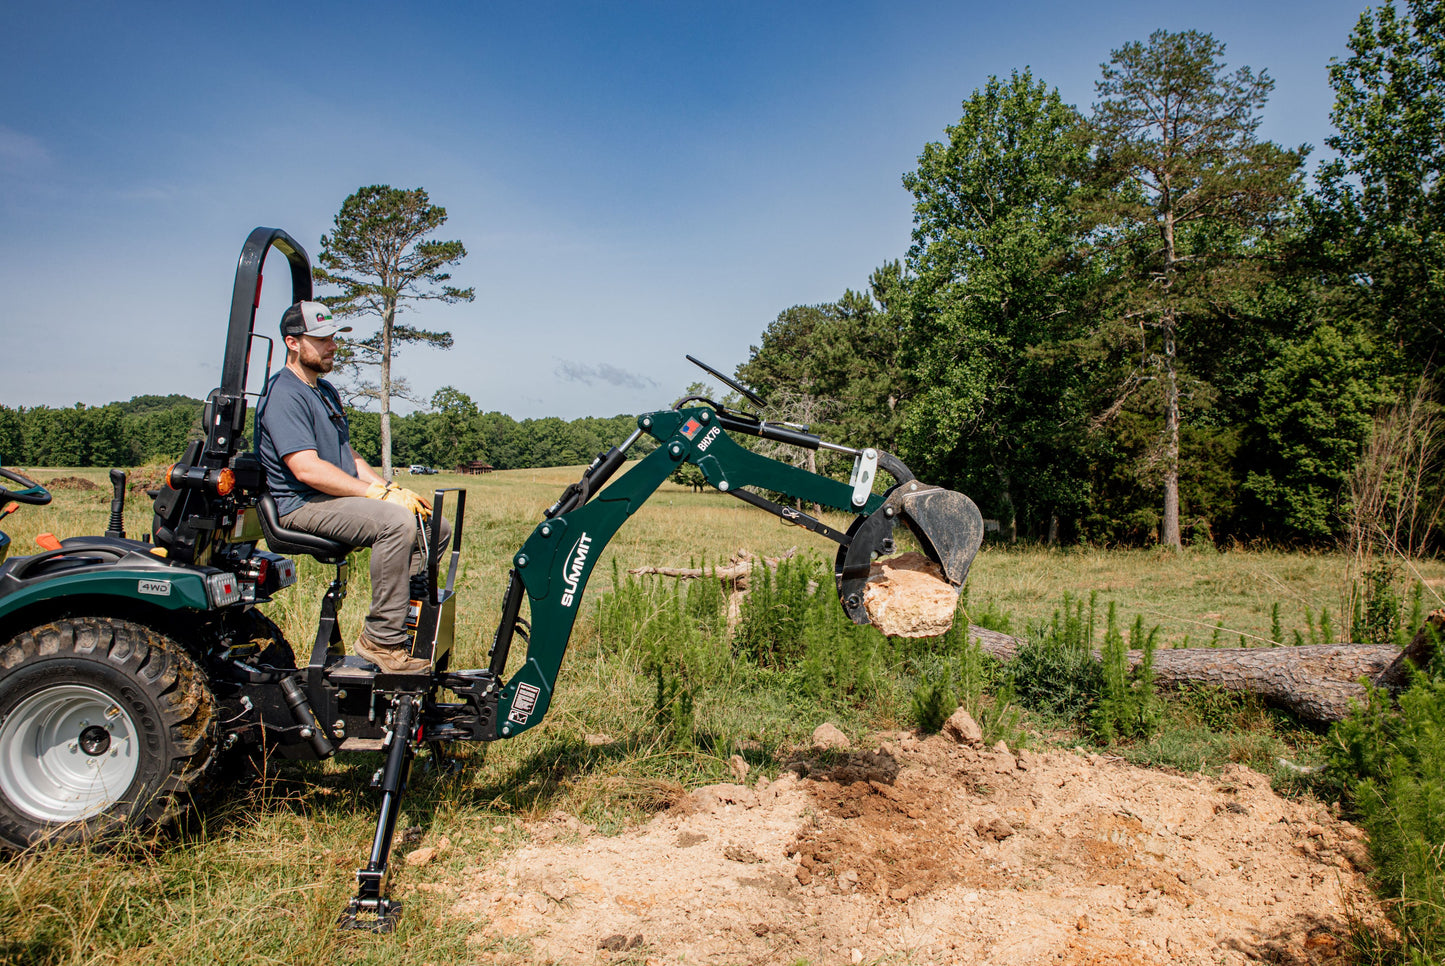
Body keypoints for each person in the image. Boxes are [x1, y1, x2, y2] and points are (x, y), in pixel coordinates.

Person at [256, 300, 448, 674]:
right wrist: (376, 497)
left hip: (331, 498)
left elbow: (347, 456)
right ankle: (380, 639)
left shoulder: (324, 390)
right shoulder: (284, 394)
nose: (333, 346)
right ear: (292, 342)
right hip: (301, 503)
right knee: (396, 524)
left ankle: (406, 623)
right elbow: (307, 469)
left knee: (431, 525)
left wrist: (390, 489)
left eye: (335, 338)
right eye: (323, 339)